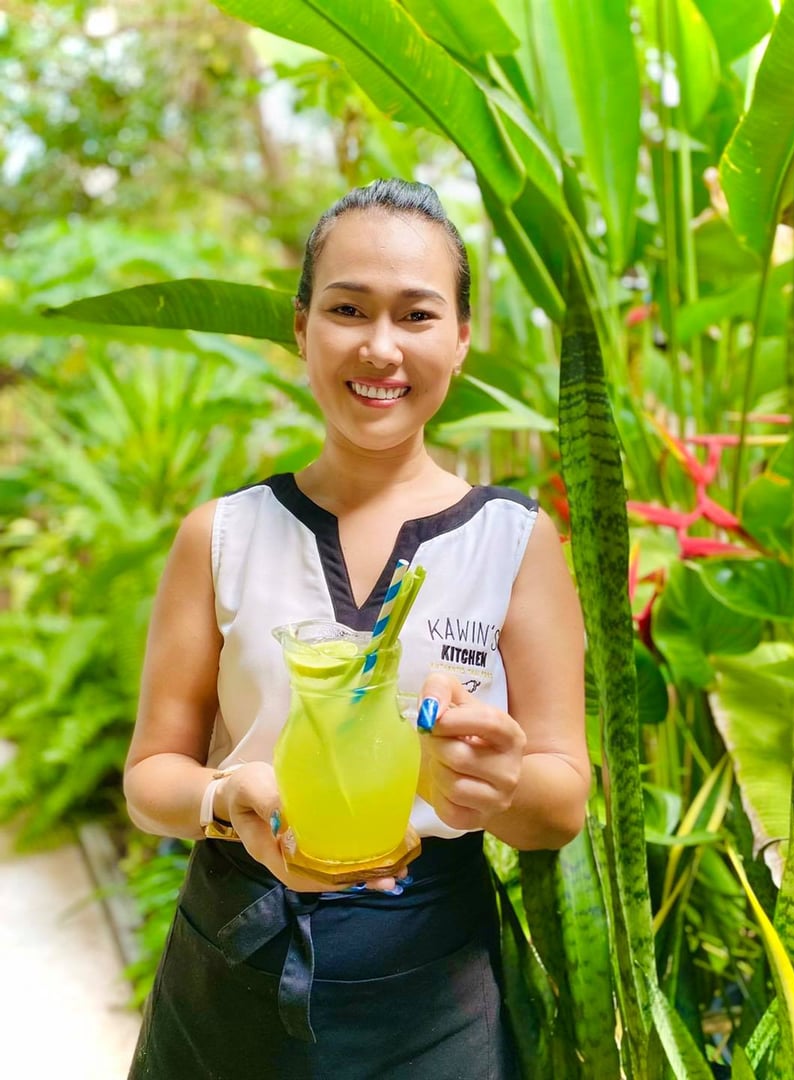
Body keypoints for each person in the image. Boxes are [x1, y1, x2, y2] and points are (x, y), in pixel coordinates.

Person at [124, 178, 590, 1079]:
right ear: (302, 326)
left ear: (459, 340)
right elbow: (153, 779)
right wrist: (228, 804)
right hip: (230, 974)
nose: (380, 347)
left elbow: (562, 800)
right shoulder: (220, 535)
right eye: (348, 308)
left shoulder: (515, 543)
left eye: (416, 315)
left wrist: (485, 786)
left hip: (430, 989)